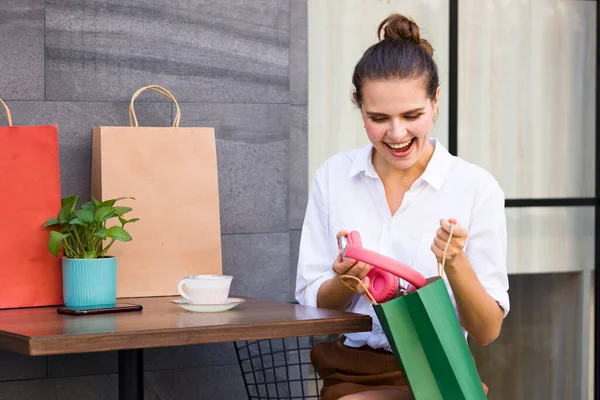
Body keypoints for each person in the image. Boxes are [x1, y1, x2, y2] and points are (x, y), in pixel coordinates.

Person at [295, 13, 509, 400]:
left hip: (441, 371)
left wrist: (456, 261)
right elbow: (312, 307)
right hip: (352, 371)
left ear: (436, 100)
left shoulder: (476, 188)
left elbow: (487, 331)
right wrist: (345, 281)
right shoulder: (334, 177)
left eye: (412, 116)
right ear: (359, 109)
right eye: (378, 118)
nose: (396, 134)